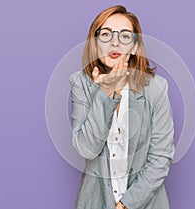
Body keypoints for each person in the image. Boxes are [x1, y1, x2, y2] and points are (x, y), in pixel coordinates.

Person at [70, 5, 175, 209]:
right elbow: (86, 148)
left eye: (125, 36)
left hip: (147, 203)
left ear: (135, 47)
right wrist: (106, 93)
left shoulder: (156, 88)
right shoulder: (80, 83)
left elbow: (161, 158)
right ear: (95, 43)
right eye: (106, 35)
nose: (114, 43)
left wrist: (126, 205)